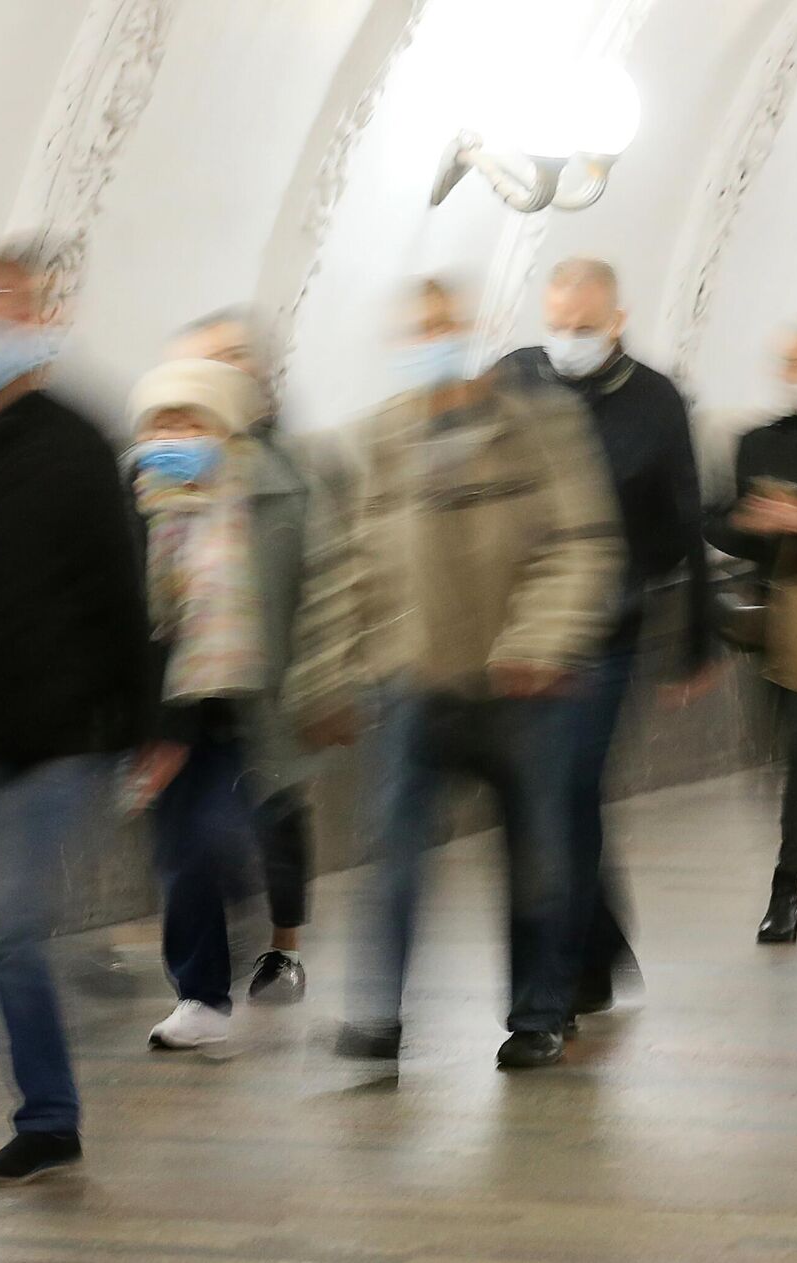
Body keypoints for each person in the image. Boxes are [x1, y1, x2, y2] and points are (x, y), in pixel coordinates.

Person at [290, 278, 624, 1070]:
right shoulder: (376, 440)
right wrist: (324, 674)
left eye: (446, 325)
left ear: (475, 333)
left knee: (538, 856)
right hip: (416, 683)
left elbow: (580, 541)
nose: (433, 340)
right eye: (419, 328)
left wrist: (540, 637)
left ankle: (539, 1012)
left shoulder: (541, 426)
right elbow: (344, 566)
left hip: (523, 688)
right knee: (393, 853)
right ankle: (378, 1016)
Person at [0, 244, 150, 1186]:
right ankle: (55, 1033)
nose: (3, 317)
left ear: (49, 318)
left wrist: (140, 726)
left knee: (12, 927)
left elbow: (119, 590)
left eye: (22, 302)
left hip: (61, 731)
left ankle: (48, 1116)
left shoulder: (80, 442)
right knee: (9, 931)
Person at [497, 258, 720, 1018]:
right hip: (523, 630)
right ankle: (595, 949)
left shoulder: (655, 400)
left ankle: (553, 986)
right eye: (557, 324)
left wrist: (696, 640)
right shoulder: (513, 380)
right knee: (555, 799)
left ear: (618, 322)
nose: (567, 340)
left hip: (609, 629)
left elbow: (685, 525)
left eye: (584, 327)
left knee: (563, 792)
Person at [125, 358, 323, 1049]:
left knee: (222, 836)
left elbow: (313, 582)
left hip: (248, 702)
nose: (171, 435)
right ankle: (200, 995)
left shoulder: (262, 495)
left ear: (222, 425)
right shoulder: (136, 503)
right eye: (159, 421)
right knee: (182, 851)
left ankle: (238, 936)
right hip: (167, 708)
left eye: (188, 419)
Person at [704, 326, 797, 943]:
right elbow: (718, 524)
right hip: (766, 610)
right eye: (792, 362)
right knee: (766, 749)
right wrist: (751, 518)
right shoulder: (753, 442)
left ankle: (785, 886)